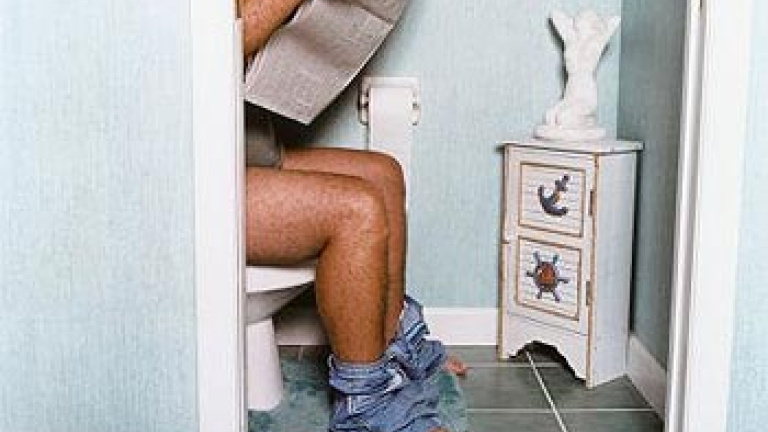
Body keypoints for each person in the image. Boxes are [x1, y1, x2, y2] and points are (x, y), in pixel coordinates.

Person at [239, 0, 466, 431]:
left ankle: (394, 348)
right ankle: (368, 409)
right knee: (356, 211)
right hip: (206, 184)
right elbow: (227, 43)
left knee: (383, 174)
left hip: (250, 151)